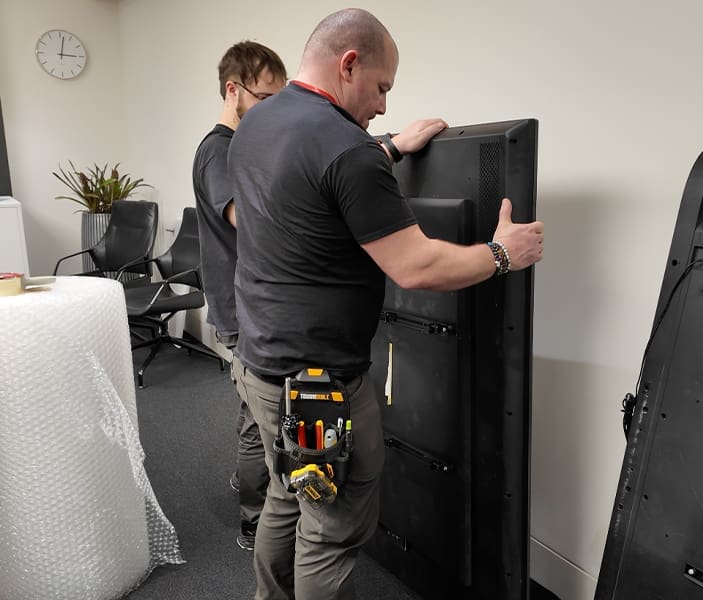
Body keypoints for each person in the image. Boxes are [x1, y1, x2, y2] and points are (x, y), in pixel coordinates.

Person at [228, 8, 544, 599]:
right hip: (318, 384)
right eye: (381, 87)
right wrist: (503, 253)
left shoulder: (258, 124)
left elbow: (312, 176)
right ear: (349, 65)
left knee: (285, 499)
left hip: (258, 364)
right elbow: (416, 266)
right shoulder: (346, 149)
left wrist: (391, 148)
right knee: (331, 527)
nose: (382, 105)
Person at [192, 40, 287, 551]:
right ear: (235, 91)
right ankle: (254, 514)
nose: (275, 111)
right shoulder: (218, 151)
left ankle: (247, 484)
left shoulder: (242, 148)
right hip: (241, 309)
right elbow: (246, 219)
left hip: (247, 303)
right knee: (258, 420)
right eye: (266, 99)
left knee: (250, 402)